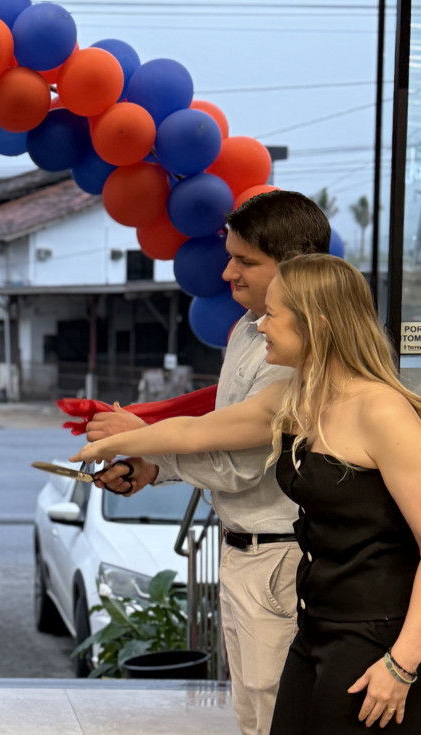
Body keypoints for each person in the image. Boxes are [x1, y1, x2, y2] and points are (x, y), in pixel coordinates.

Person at [73, 254, 421, 732]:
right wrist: (116, 443)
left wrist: (402, 664)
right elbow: (198, 434)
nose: (260, 327)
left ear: (316, 325)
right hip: (316, 626)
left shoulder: (383, 412)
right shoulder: (299, 397)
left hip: (376, 637)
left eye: (272, 314)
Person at [85, 190, 330, 735]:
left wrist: (144, 439)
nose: (227, 274)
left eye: (245, 261)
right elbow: (218, 441)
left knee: (272, 713)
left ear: (295, 268)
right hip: (241, 547)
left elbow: (241, 462)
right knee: (249, 710)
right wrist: (153, 465)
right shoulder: (250, 329)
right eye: (230, 256)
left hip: (281, 557)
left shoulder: (301, 347)